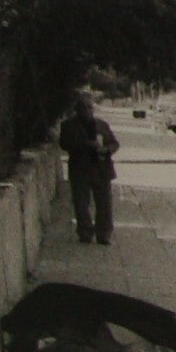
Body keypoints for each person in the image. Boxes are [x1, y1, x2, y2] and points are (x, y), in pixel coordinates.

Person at [58, 91, 120, 245]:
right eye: (83, 107)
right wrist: (84, 144)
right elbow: (64, 144)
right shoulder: (68, 125)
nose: (87, 110)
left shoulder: (102, 125)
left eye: (89, 107)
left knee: (104, 203)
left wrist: (106, 149)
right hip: (80, 169)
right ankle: (85, 232)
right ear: (77, 109)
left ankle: (103, 234)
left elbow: (114, 143)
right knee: (81, 203)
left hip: (101, 168)